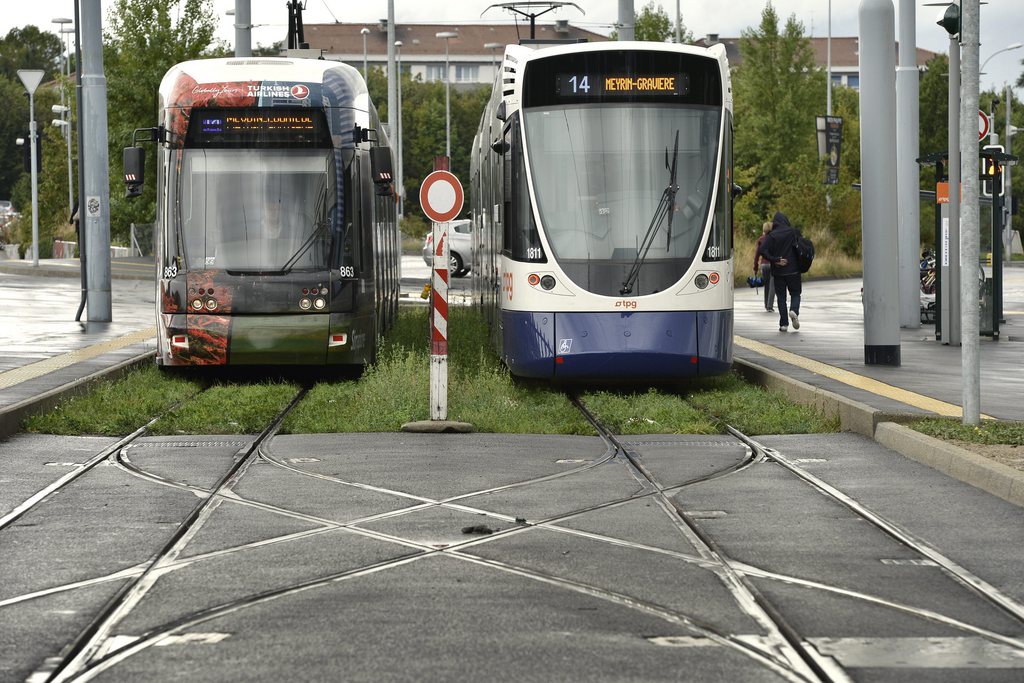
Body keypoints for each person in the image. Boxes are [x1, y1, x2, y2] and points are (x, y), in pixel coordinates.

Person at [757, 211, 802, 332]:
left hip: (778, 272)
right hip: (793, 270)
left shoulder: (772, 235)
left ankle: (784, 324)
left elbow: (762, 249)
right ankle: (794, 310)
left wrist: (774, 259)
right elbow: (801, 247)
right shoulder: (793, 232)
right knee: (795, 293)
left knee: (781, 297)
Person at [752, 221, 775, 312]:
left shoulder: (761, 239)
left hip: (764, 265)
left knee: (767, 285)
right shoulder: (774, 239)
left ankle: (766, 305)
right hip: (772, 264)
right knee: (773, 285)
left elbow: (757, 254)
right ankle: (769, 306)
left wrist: (755, 267)